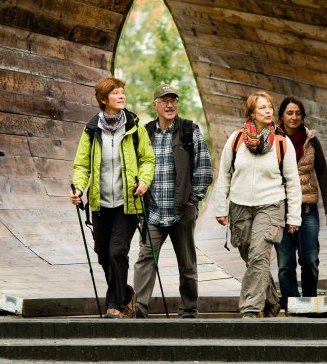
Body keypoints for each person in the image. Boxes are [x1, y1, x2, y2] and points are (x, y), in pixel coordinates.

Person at [71, 77, 155, 319]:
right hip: (99, 204)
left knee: (118, 252)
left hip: (127, 203)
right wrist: (77, 187)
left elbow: (148, 160)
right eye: (116, 93)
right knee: (102, 253)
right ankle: (126, 293)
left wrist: (144, 182)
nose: (121, 96)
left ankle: (115, 305)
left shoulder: (134, 127)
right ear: (103, 99)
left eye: (122, 92)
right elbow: (81, 164)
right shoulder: (91, 130)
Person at [212, 91, 302, 318]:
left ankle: (251, 309)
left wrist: (294, 217)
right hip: (240, 206)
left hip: (271, 205)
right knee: (251, 256)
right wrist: (221, 208)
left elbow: (293, 183)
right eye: (262, 108)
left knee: (259, 255)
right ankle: (272, 301)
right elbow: (224, 175)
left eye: (270, 107)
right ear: (252, 113)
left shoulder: (282, 143)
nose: (269, 111)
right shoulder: (236, 140)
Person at [133, 85, 213, 318]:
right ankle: (139, 308)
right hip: (153, 211)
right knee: (145, 259)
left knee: (187, 263)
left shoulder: (189, 130)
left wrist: (192, 200)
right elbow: (135, 167)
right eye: (164, 100)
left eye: (173, 100)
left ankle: (189, 309)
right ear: (155, 104)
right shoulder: (144, 133)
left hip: (182, 210)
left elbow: (204, 169)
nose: (170, 105)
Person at [275, 96, 327, 311]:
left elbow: (322, 174)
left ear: (303, 117)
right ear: (281, 115)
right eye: (289, 113)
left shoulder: (311, 140)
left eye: (297, 113)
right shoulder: (272, 139)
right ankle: (291, 304)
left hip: (307, 209)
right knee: (285, 263)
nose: (293, 117)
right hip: (280, 209)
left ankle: (309, 303)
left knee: (310, 260)